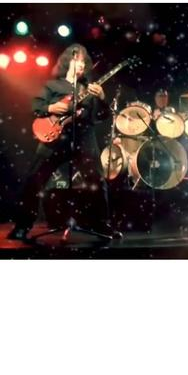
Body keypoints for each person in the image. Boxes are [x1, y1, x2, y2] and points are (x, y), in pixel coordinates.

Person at [7, 43, 122, 242]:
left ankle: (102, 225)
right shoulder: (53, 86)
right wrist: (51, 107)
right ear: (68, 61)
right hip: (56, 138)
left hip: (84, 137)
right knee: (35, 178)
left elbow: (102, 116)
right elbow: (36, 105)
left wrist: (102, 98)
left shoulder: (90, 88)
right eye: (78, 61)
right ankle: (22, 225)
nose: (82, 65)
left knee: (97, 181)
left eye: (84, 62)